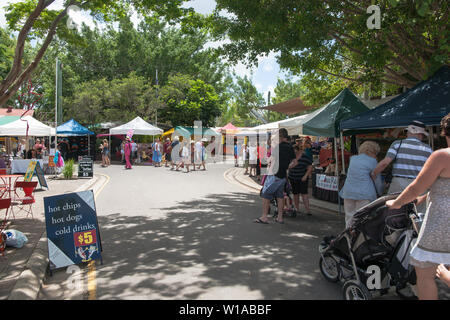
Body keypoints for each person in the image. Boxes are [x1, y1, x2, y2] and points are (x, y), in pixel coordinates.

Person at [386, 114, 450, 300]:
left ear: (444, 132)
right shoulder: (428, 150)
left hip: (442, 223)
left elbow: (416, 187)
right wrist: (422, 199)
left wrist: (396, 203)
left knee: (425, 273)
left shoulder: (442, 156)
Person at [372, 120, 432, 194]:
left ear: (409, 132)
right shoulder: (428, 149)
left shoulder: (397, 144)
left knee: (395, 204)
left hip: (399, 183)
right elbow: (431, 169)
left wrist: (374, 173)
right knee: (417, 205)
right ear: (420, 134)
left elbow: (385, 163)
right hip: (418, 184)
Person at [255, 128, 297, 224]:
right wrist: (287, 167)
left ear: (281, 136)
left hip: (274, 174)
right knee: (280, 196)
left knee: (266, 195)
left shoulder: (278, 147)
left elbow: (271, 160)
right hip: (283, 176)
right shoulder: (290, 147)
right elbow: (295, 162)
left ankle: (264, 217)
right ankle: (280, 217)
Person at [340, 141, 384, 228]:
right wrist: (380, 192)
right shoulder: (373, 161)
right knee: (361, 219)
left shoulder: (353, 159)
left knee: (349, 218)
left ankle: (349, 237)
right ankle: (359, 239)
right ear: (373, 152)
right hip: (364, 193)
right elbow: (377, 180)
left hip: (348, 192)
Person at [288, 144, 314, 216]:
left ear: (298, 150)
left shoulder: (305, 157)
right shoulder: (291, 157)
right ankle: (297, 208)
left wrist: (305, 176)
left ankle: (308, 210)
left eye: (295, 151)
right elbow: (288, 166)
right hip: (293, 177)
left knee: (304, 193)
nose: (293, 152)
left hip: (302, 178)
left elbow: (310, 167)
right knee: (295, 193)